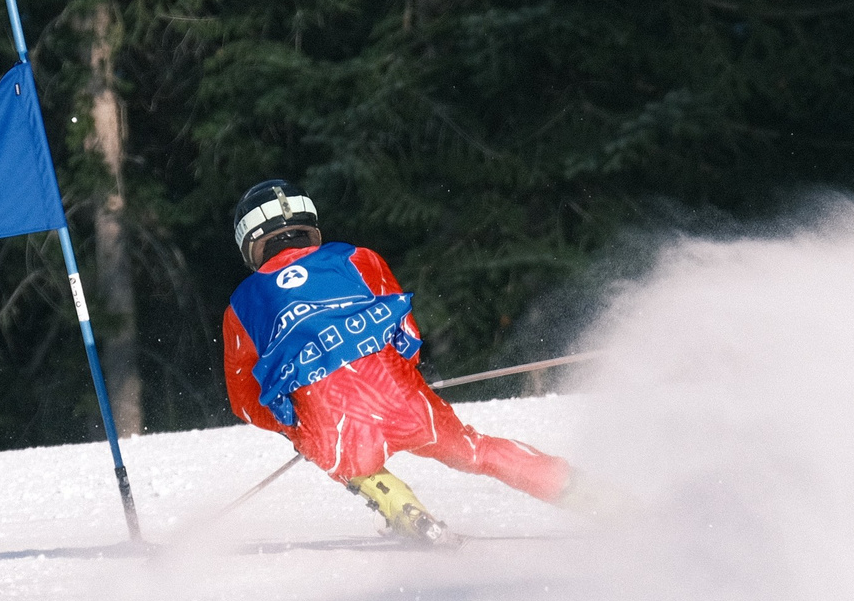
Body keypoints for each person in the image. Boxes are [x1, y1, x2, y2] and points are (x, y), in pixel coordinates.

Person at [220, 179, 582, 544]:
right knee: (473, 450)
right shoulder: (358, 258)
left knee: (351, 462)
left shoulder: (241, 306)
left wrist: (296, 428)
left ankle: (404, 510)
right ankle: (580, 489)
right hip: (398, 393)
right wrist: (409, 376)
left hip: (333, 420)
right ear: (309, 225)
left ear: (250, 243)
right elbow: (404, 331)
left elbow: (244, 401)